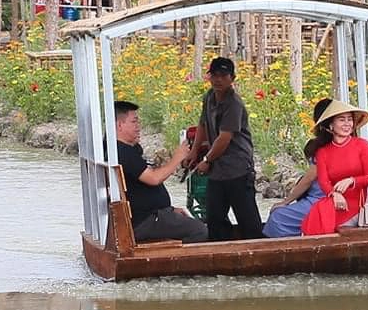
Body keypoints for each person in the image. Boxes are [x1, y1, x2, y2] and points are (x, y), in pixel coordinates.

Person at [111, 100, 206, 245]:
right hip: (145, 220)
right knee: (200, 231)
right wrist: (177, 157)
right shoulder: (123, 152)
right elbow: (153, 178)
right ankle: (179, 264)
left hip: (152, 214)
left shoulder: (124, 149)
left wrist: (170, 210)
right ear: (119, 125)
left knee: (191, 224)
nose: (139, 127)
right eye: (134, 122)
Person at [301, 98, 368, 236]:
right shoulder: (323, 152)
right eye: (341, 120)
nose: (347, 124)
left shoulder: (362, 145)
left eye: (349, 119)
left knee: (326, 224)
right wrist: (334, 194)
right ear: (330, 125)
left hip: (358, 204)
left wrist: (351, 180)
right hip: (335, 201)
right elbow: (323, 182)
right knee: (315, 218)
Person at [193, 55, 263, 240]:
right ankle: (219, 254)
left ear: (232, 78)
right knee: (214, 217)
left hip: (237, 167)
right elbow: (203, 125)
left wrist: (206, 160)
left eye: (223, 76)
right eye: (214, 75)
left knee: (248, 219)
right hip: (218, 168)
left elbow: (224, 138)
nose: (218, 80)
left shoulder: (234, 103)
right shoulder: (209, 97)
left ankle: (259, 252)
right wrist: (193, 152)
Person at [262, 98, 332, 237]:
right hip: (318, 196)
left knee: (278, 217)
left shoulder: (327, 147)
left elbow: (309, 178)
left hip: (322, 200)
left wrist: (286, 201)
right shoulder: (328, 144)